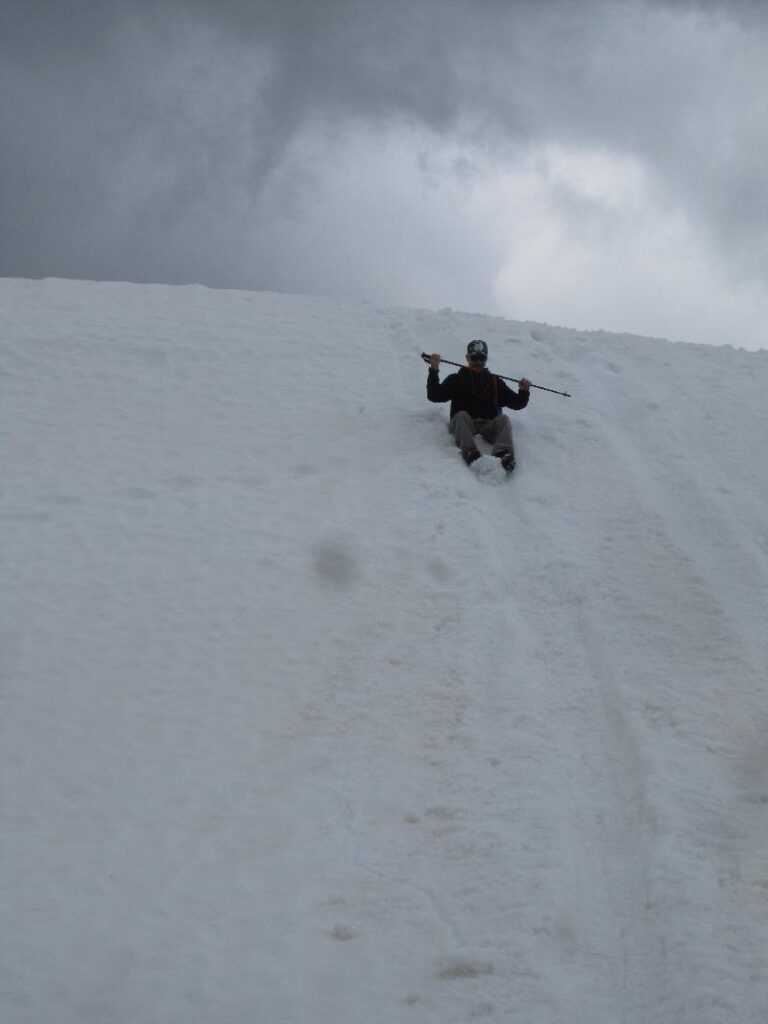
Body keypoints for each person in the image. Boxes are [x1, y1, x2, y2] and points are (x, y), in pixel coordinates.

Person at [426, 339, 531, 470]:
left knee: (504, 420)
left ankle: (503, 454)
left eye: (482, 358)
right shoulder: (456, 379)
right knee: (461, 416)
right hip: (465, 424)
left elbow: (517, 403)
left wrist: (523, 391)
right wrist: (434, 370)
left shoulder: (495, 381)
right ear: (468, 358)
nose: (479, 362)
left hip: (488, 425)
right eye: (475, 358)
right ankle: (470, 452)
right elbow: (434, 395)